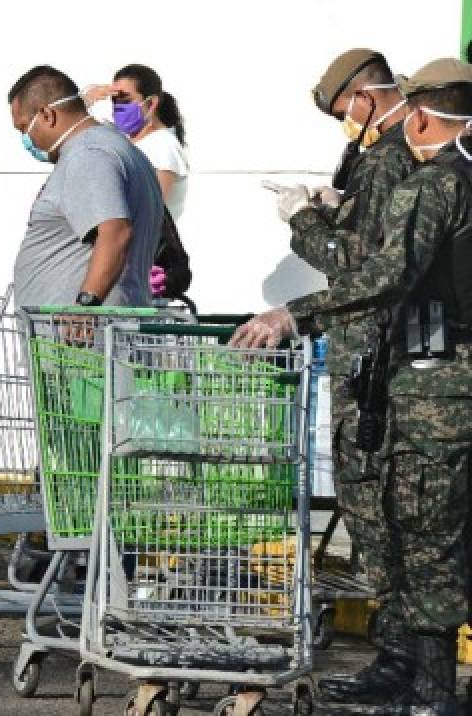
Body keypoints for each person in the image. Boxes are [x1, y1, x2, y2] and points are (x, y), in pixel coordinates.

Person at [233, 58, 472, 715]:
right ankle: (413, 679)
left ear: (419, 114)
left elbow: (377, 272)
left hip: (429, 388)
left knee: (421, 540)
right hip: (441, 380)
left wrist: (296, 306)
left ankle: (429, 693)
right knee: (432, 537)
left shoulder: (428, 180)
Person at [262, 48, 417, 706]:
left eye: (342, 114)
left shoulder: (389, 156)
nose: (344, 128)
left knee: (376, 511)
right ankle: (409, 658)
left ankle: (403, 660)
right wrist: (337, 202)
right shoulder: (399, 155)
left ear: (364, 98)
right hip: (384, 355)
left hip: (375, 360)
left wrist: (307, 219)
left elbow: (360, 266)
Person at [8, 65, 163, 309]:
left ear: (48, 115)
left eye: (24, 127)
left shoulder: (87, 154)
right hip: (86, 335)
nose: (27, 139)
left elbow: (115, 232)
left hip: (83, 340)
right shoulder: (112, 147)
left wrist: (86, 306)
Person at [88, 64, 189, 221]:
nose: (118, 107)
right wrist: (86, 100)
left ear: (152, 102)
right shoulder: (127, 138)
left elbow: (150, 212)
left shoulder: (164, 146)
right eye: (114, 101)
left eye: (126, 100)